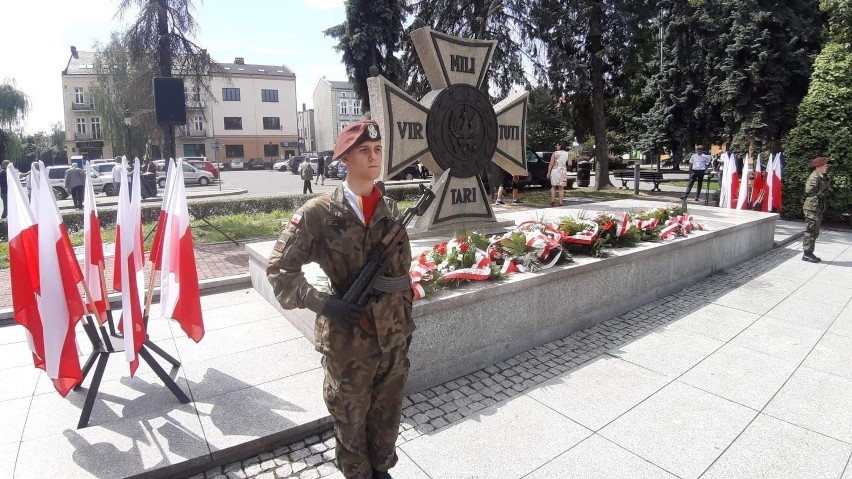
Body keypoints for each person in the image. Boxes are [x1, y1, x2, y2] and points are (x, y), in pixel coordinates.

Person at [267, 120, 414, 479]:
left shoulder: (391, 211)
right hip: (348, 343)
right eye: (364, 151)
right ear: (345, 158)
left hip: (393, 336)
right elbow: (279, 271)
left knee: (388, 414)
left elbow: (402, 274)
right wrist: (323, 303)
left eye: (377, 150)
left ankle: (383, 470)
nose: (373, 157)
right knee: (350, 420)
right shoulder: (318, 214)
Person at [802, 156, 829, 263]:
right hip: (812, 208)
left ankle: (809, 252)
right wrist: (819, 194)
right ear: (819, 167)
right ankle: (807, 254)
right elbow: (808, 189)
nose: (826, 167)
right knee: (810, 230)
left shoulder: (820, 176)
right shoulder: (815, 176)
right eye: (825, 165)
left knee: (814, 231)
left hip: (816, 207)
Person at [547, 140, 570, 207]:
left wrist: (548, 172)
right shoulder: (567, 154)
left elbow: (551, 163)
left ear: (560, 146)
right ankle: (560, 202)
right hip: (562, 171)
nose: (556, 146)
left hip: (555, 170)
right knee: (561, 188)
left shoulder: (555, 153)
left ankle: (552, 201)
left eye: (557, 145)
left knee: (553, 186)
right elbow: (570, 163)